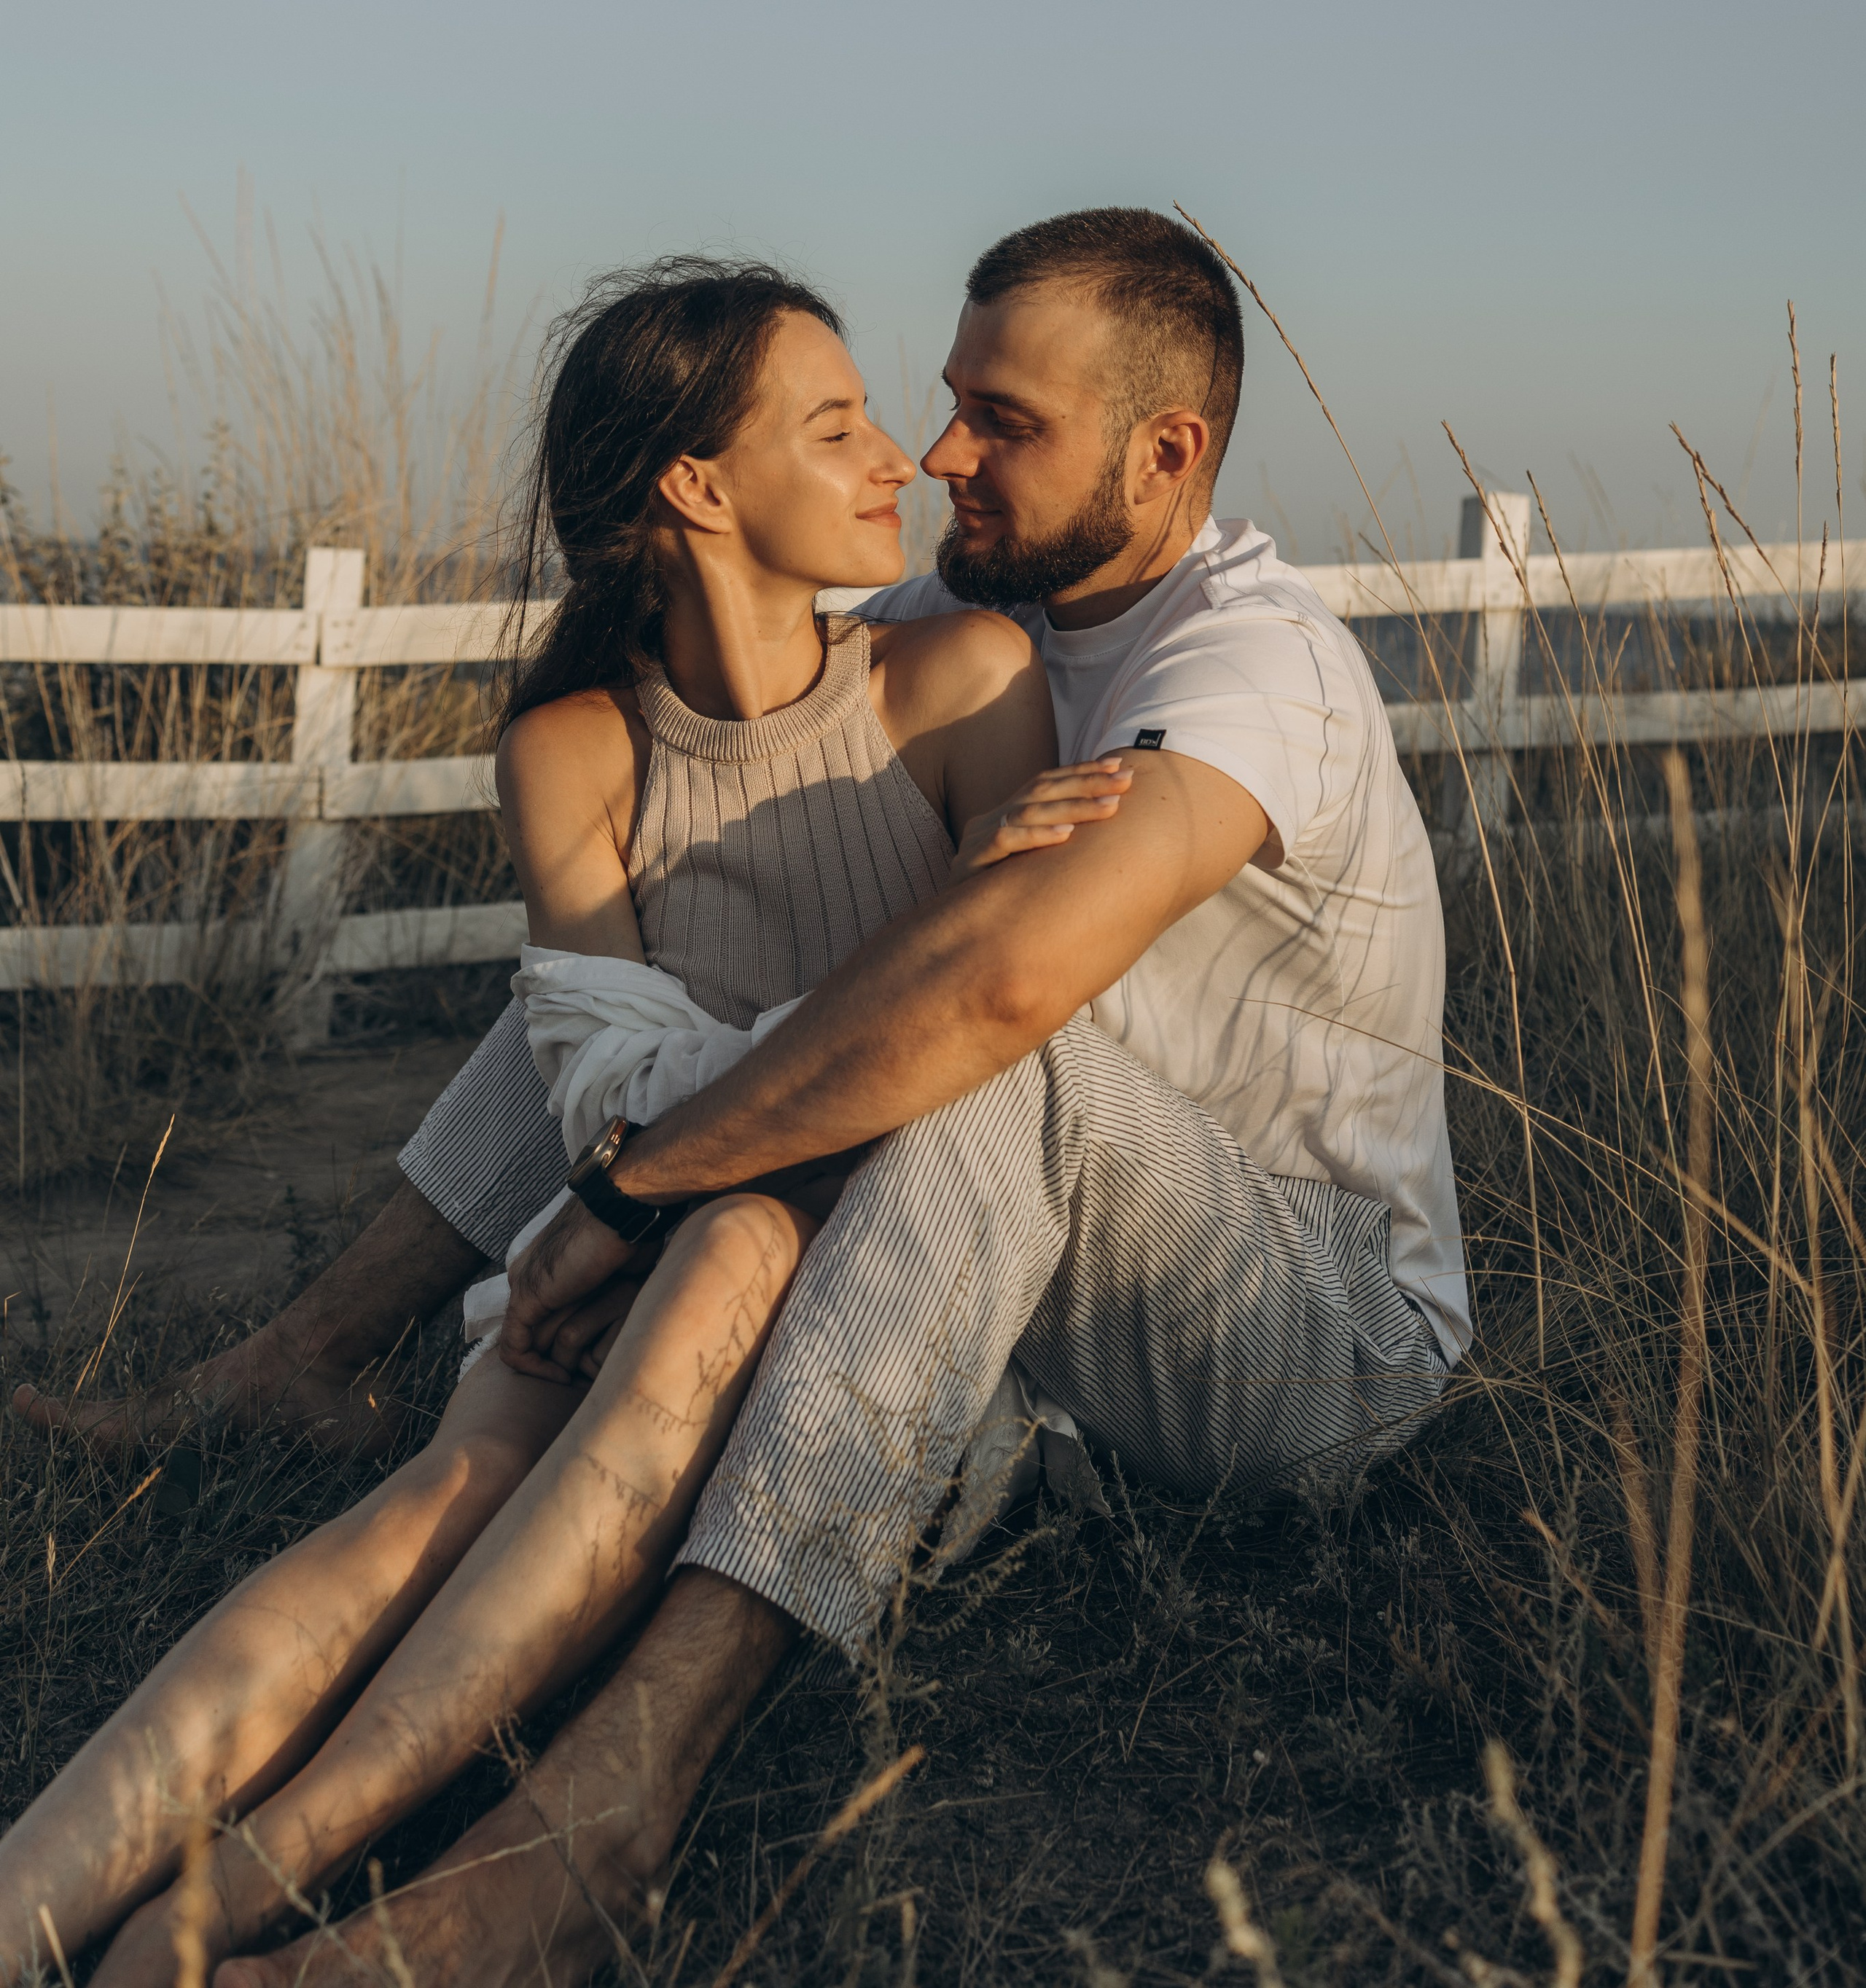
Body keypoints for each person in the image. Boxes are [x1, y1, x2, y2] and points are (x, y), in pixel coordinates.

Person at [15, 206, 1469, 1988]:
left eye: (995, 422)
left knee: (965, 1050)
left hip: (1302, 1328)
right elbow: (683, 963)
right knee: (636, 985)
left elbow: (997, 989)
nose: (937, 456)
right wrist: (641, 1114)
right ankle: (307, 1353)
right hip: (1012, 1269)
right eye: (928, 405)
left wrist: (632, 1195)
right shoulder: (952, 617)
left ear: (1164, 453)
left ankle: (604, 1821)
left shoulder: (1250, 668)